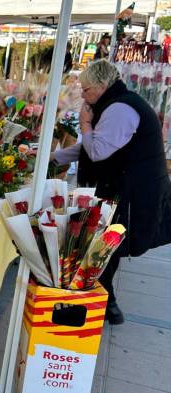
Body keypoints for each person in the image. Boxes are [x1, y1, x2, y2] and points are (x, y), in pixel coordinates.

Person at [51, 60, 171, 325]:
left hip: (134, 193)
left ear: (103, 86)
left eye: (87, 89)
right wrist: (52, 157)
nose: (83, 95)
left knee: (101, 247)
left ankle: (102, 307)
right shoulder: (115, 103)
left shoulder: (120, 109)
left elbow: (97, 150)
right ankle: (106, 305)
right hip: (124, 188)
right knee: (102, 247)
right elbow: (93, 146)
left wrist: (84, 124)